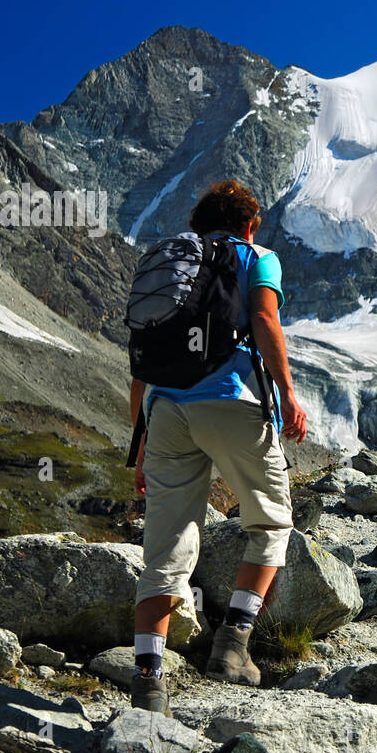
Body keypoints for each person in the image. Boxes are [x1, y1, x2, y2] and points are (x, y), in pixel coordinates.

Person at [127, 180, 308, 716]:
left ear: (198, 224)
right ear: (250, 224)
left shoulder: (169, 267)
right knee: (271, 523)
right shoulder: (257, 256)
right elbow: (264, 318)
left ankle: (147, 682)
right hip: (233, 401)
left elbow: (141, 360)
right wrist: (289, 394)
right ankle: (232, 645)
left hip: (165, 413)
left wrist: (138, 445)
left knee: (164, 551)